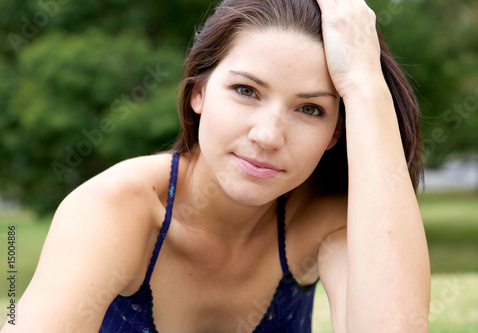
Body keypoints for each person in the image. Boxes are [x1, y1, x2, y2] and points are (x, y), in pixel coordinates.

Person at [2, 0, 431, 332]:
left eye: (310, 109)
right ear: (198, 92)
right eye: (246, 90)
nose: (267, 135)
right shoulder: (116, 208)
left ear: (337, 131)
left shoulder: (324, 218)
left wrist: (364, 84)